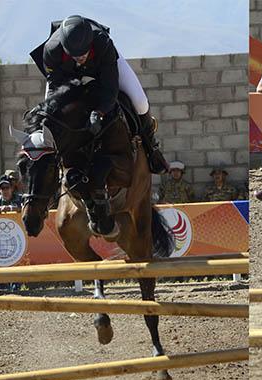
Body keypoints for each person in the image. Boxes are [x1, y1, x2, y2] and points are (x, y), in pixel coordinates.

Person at [29, 15, 169, 236]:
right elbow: (57, 91)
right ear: (65, 49)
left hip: (105, 70)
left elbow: (110, 87)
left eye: (83, 53)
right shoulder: (52, 51)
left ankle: (153, 149)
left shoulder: (102, 43)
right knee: (51, 120)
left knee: (140, 102)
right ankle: (50, 168)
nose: (81, 58)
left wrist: (100, 112)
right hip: (66, 78)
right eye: (76, 55)